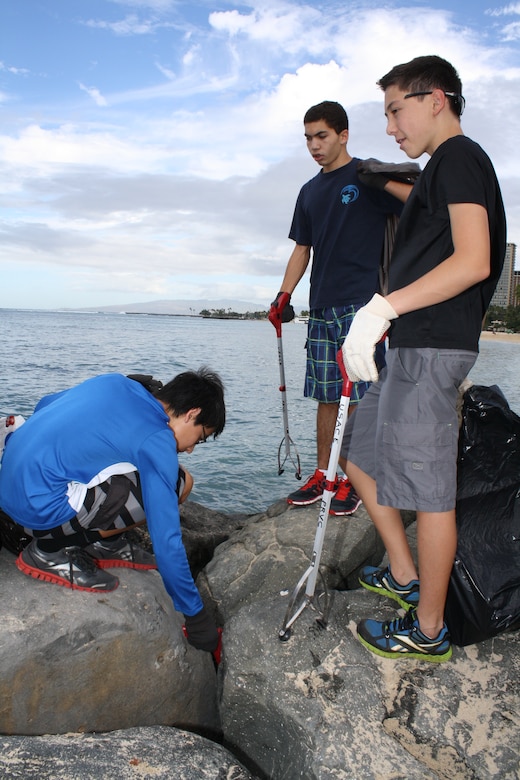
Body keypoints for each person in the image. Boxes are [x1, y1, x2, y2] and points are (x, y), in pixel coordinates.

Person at [341, 55, 506, 661]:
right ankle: (405, 576)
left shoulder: (462, 158)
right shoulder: (437, 171)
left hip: (432, 348)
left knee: (431, 493)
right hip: (408, 346)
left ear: (435, 98)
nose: (390, 127)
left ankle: (429, 630)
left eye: (395, 109)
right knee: (360, 454)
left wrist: (381, 308)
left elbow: (474, 260)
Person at [0, 368, 226, 656]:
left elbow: (46, 404)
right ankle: (48, 550)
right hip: (38, 512)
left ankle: (103, 544)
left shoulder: (116, 382)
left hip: (10, 485)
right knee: (180, 484)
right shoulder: (156, 438)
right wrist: (196, 617)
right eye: (200, 437)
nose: (192, 449)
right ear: (192, 413)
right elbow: (165, 535)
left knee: (139, 465)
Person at [269, 100, 412, 516]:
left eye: (322, 136)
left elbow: (419, 204)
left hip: (364, 307)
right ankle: (323, 473)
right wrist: (284, 294)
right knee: (327, 396)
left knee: (365, 396)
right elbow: (302, 248)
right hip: (322, 307)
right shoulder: (309, 191)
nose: (314, 145)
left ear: (343, 135)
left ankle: (356, 477)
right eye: (308, 138)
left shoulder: (366, 177)